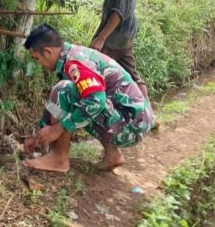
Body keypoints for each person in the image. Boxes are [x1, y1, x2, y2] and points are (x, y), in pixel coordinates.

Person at [21, 23, 155, 173]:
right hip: (135, 120)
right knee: (76, 100)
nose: (38, 64)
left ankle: (59, 159)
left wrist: (56, 129)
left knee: (64, 90)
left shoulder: (74, 63)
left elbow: (96, 101)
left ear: (47, 51)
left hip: (132, 126)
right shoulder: (73, 56)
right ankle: (112, 155)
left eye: (36, 58)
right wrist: (38, 134)